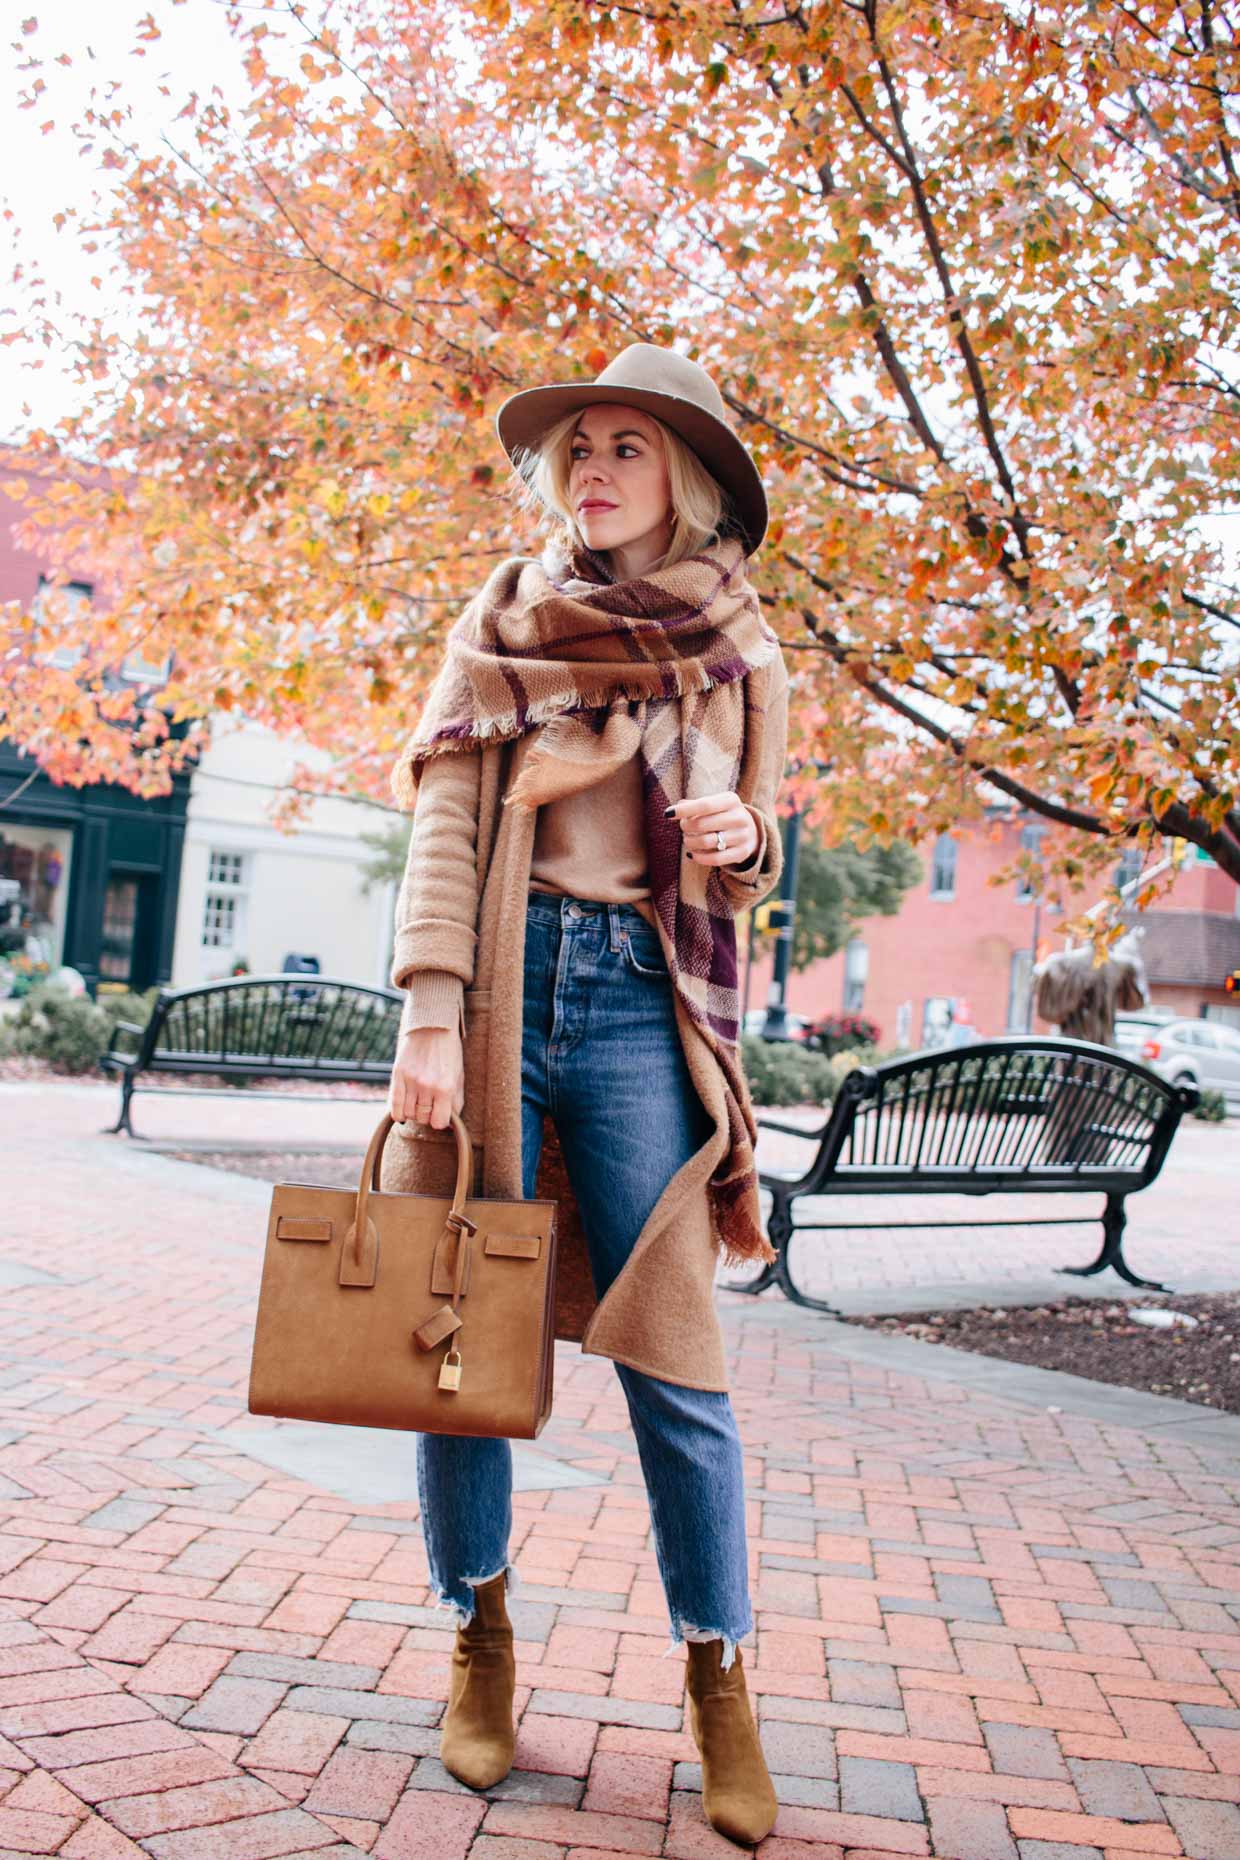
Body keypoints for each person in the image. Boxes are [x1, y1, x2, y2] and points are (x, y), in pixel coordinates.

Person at [383, 341, 790, 1845]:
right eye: (580, 447)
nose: (598, 466)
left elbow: (748, 881)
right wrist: (430, 1015)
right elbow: (442, 818)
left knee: (678, 1372)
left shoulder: (740, 646)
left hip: (637, 1005)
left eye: (631, 444)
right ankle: (479, 1641)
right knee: (460, 1338)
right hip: (494, 997)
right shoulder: (499, 622)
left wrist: (742, 838)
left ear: (682, 475)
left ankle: (717, 1675)